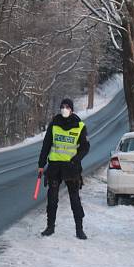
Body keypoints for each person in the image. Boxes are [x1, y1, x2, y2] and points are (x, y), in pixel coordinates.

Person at [38, 98, 90, 239]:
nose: (64, 109)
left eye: (67, 107)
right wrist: (41, 165)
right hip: (54, 167)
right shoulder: (54, 124)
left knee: (74, 199)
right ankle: (50, 227)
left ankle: (79, 229)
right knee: (52, 199)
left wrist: (76, 159)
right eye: (62, 106)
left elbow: (85, 147)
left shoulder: (79, 126)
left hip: (71, 168)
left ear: (72, 109)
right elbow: (46, 145)